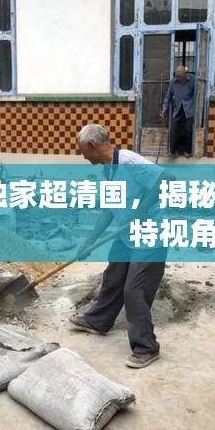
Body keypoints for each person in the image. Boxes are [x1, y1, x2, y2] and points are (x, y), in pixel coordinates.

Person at [69, 123, 170, 368]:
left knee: (134, 290)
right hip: (127, 234)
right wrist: (89, 241)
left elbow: (167, 179)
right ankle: (98, 321)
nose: (83, 156)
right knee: (113, 276)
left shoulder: (128, 161)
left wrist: (141, 210)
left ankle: (147, 347)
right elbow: (109, 210)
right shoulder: (108, 170)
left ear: (92, 145)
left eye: (82, 151)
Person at [160, 65, 195, 157]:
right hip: (178, 108)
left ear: (185, 75)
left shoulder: (192, 80)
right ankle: (173, 151)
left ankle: (187, 151)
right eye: (176, 76)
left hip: (189, 108)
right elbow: (168, 96)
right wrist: (164, 109)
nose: (177, 78)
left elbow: (198, 93)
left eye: (179, 77)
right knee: (174, 129)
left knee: (188, 130)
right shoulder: (173, 82)